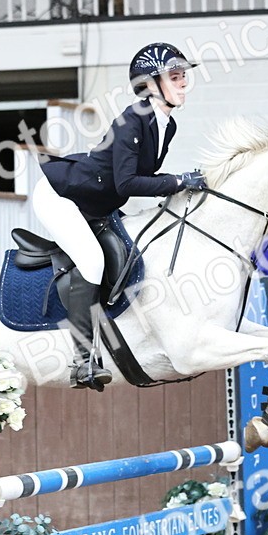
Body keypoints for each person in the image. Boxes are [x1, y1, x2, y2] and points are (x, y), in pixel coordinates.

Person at [32, 42, 208, 391]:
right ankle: (83, 361)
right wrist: (176, 182)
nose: (184, 82)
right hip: (62, 196)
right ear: (151, 85)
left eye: (183, 76)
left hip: (97, 203)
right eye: (175, 76)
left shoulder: (165, 126)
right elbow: (127, 182)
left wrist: (178, 182)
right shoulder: (132, 120)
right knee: (93, 263)